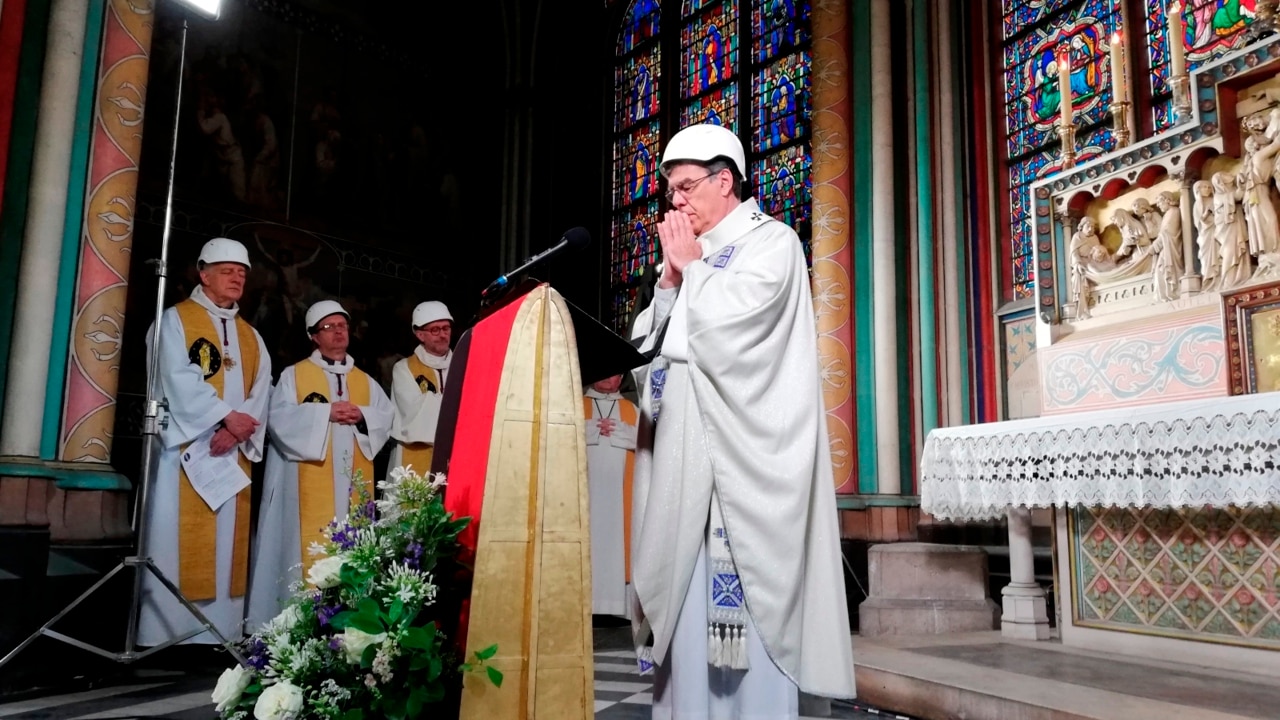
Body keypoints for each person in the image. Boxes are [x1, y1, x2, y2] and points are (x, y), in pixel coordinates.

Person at [628, 123, 856, 718]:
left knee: (744, 658)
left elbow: (739, 337)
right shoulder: (684, 261)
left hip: (743, 488)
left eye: (684, 187)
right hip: (685, 477)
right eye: (670, 191)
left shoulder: (772, 243)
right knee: (684, 635)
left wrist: (690, 272)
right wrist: (674, 282)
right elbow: (650, 358)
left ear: (723, 180)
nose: (675, 202)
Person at [138, 238, 270, 648]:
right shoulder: (174, 321)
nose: (236, 278)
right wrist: (223, 417)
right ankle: (169, 634)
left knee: (227, 545)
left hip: (230, 453)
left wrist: (236, 429)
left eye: (242, 273)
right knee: (176, 540)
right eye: (228, 270)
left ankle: (220, 634)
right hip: (187, 452)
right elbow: (175, 377)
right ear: (204, 274)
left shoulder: (252, 336)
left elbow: (261, 389)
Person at [247, 300, 394, 628]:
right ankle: (297, 623)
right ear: (314, 336)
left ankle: (350, 620)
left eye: (342, 325)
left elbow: (386, 417)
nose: (339, 332)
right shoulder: (294, 375)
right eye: (329, 327)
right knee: (305, 549)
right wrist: (324, 412)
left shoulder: (365, 381)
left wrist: (363, 415)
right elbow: (279, 419)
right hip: (307, 485)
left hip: (351, 484)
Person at [584, 374, 639, 620]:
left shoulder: (632, 409)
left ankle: (620, 609)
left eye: (617, 373)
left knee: (620, 539)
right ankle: (585, 604)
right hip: (587, 496)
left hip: (621, 497)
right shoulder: (575, 404)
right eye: (605, 371)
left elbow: (652, 441)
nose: (609, 377)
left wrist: (625, 432)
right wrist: (589, 430)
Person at [389, 301, 454, 473]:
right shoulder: (404, 368)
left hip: (456, 454)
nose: (442, 335)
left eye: (446, 328)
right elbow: (413, 411)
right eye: (435, 330)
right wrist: (456, 403)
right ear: (420, 334)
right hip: (415, 455)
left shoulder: (464, 364)